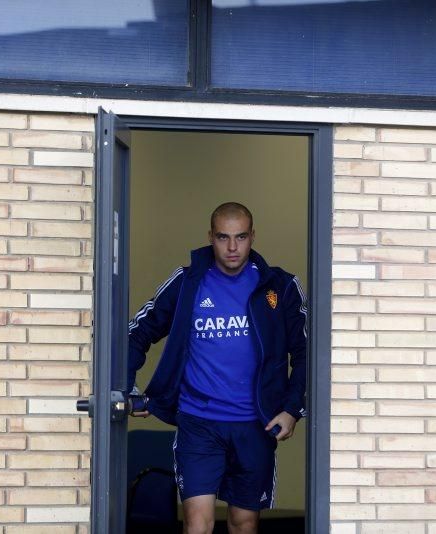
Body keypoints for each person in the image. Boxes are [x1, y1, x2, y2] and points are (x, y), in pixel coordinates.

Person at [127, 202, 307, 534]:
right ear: (210, 236)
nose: (233, 247)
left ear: (253, 236)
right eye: (223, 237)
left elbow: (306, 352)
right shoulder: (188, 283)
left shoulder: (279, 287)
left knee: (243, 523)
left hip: (256, 424)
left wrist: (292, 409)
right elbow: (137, 332)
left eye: (241, 237)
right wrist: (126, 386)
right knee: (197, 523)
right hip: (199, 423)